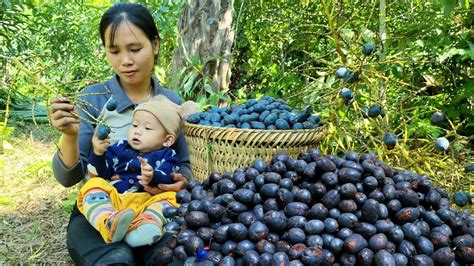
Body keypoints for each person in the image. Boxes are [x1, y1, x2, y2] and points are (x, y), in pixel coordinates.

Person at [49, 3, 191, 264]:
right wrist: (69, 135)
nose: (125, 60)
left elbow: (185, 165)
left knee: (170, 257)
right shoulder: (93, 98)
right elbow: (68, 177)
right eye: (113, 51)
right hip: (102, 209)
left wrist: (180, 182)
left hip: (154, 208)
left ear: (155, 45)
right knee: (116, 259)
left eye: (135, 49)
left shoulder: (171, 103)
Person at [77, 95, 197, 248]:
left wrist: (153, 176)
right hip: (116, 200)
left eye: (147, 128)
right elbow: (101, 172)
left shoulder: (168, 155)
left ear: (167, 140)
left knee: (173, 198)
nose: (138, 132)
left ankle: (143, 227)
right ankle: (108, 222)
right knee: (93, 184)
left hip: (147, 202)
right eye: (134, 126)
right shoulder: (119, 147)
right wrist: (98, 153)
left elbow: (170, 178)